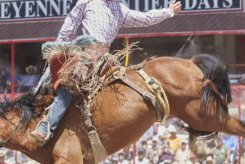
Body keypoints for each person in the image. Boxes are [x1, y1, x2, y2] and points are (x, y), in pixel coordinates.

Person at [31, 0, 182, 144]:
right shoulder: (87, 1)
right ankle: (47, 125)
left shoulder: (120, 9)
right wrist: (57, 51)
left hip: (105, 59)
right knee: (72, 81)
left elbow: (146, 18)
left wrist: (169, 12)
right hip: (86, 54)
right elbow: (69, 27)